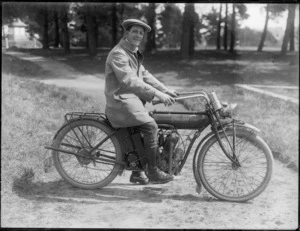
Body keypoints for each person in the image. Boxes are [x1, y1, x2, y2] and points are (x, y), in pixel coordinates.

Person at [104, 19, 178, 184]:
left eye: (141, 32)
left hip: (130, 100)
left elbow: (144, 75)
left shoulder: (132, 52)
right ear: (127, 33)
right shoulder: (119, 53)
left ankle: (137, 172)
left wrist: (164, 90)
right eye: (135, 31)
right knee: (151, 126)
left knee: (154, 121)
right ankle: (153, 171)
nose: (138, 35)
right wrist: (157, 93)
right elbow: (129, 80)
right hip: (120, 102)